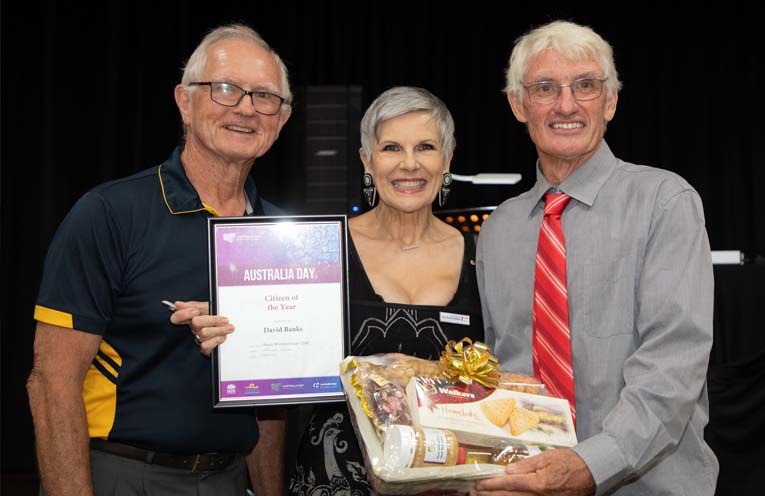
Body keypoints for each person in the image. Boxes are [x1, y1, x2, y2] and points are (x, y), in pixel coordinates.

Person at [175, 86, 485, 494]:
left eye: (425, 147)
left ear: (447, 158)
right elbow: (273, 353)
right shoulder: (319, 248)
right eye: (391, 147)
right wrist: (235, 326)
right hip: (334, 477)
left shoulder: (482, 255)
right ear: (367, 160)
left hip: (448, 480)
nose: (409, 163)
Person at [26, 24, 292, 495]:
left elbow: (270, 398)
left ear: (282, 118)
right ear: (184, 102)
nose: (246, 108)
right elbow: (51, 383)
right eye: (225, 88)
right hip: (123, 474)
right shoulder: (109, 214)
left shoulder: (282, 238)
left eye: (265, 96)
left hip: (229, 479)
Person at [473, 20, 718, 495]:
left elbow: (674, 363)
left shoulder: (665, 202)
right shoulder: (499, 229)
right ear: (518, 105)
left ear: (610, 101)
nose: (566, 105)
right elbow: (497, 374)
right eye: (545, 88)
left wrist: (589, 465)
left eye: (585, 85)